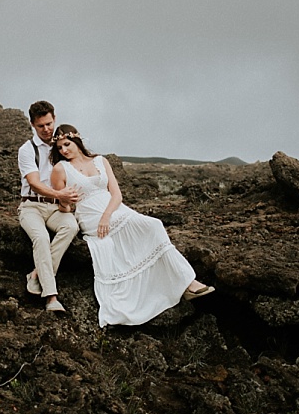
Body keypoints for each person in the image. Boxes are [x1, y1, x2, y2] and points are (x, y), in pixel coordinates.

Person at [48, 124, 214, 327]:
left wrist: (107, 216)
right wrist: (65, 201)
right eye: (59, 148)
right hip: (89, 215)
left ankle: (187, 282)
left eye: (67, 144)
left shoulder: (100, 161)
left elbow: (117, 194)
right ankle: (188, 282)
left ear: (77, 141)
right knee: (138, 228)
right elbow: (63, 203)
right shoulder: (60, 169)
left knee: (153, 225)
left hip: (114, 210)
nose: (64, 150)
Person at [18, 101, 81, 314]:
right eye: (40, 126)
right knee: (42, 238)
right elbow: (35, 182)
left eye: (49, 123)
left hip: (56, 208)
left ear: (54, 118)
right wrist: (59, 194)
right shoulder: (27, 150)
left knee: (71, 227)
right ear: (32, 125)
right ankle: (51, 297)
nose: (46, 129)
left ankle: (36, 274)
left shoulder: (61, 146)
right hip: (31, 206)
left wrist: (66, 200)